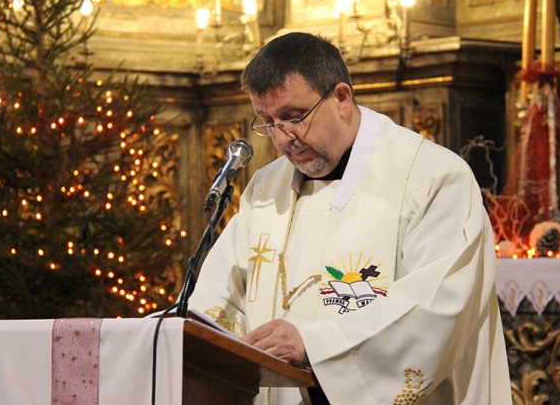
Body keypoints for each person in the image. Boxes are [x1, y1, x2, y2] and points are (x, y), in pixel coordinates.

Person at [187, 32, 511, 405]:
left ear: (341, 98)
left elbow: (436, 308)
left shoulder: (432, 178)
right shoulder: (265, 188)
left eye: (293, 117)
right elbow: (220, 296)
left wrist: (314, 346)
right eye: (267, 122)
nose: (281, 138)